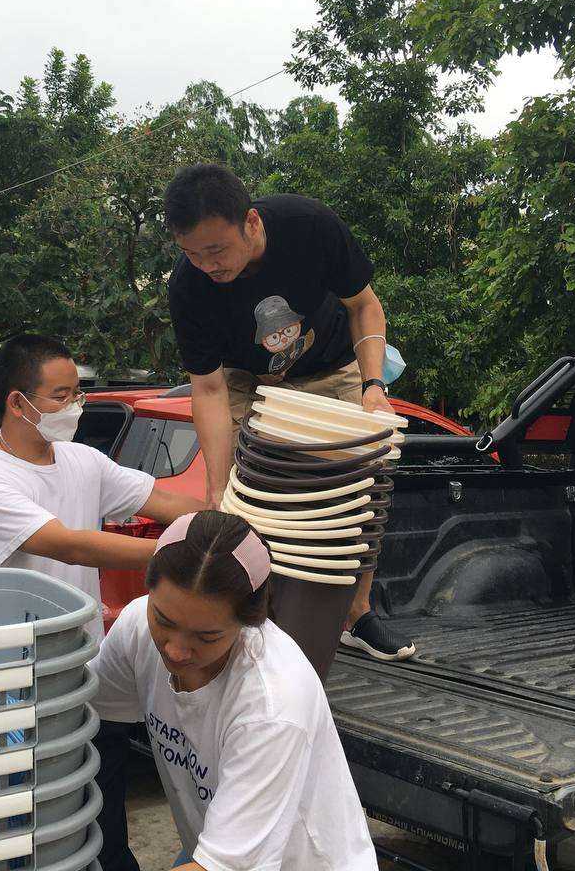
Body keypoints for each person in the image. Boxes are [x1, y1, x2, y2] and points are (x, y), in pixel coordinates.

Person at [164, 163, 414, 661]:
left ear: (251, 223)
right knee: (243, 499)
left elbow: (363, 305)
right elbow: (209, 389)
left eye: (216, 250)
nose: (209, 265)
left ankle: (355, 614)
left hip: (330, 365)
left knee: (363, 486)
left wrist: (373, 386)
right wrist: (218, 482)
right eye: (193, 254)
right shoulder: (188, 288)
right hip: (244, 379)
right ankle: (255, 620)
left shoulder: (309, 226)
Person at [92, 510, 379, 871]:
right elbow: (96, 732)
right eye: (163, 621)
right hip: (222, 846)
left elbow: (223, 867)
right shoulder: (135, 626)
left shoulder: (272, 705)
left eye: (206, 637)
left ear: (249, 623)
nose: (176, 650)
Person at [0, 334, 204, 641]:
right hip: (12, 661)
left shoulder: (82, 459)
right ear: (18, 403)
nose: (74, 407)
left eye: (77, 395)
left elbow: (161, 500)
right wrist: (189, 554)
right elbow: (70, 546)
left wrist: (231, 523)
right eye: (61, 397)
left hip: (82, 648)